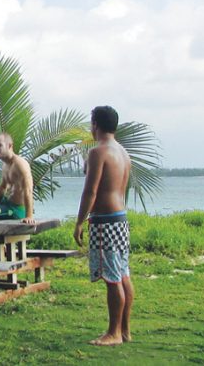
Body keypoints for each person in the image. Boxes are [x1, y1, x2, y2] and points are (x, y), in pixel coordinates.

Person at [73, 106, 134, 346]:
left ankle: (113, 333)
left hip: (105, 221)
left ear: (95, 125)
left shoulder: (98, 152)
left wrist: (79, 221)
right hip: (120, 218)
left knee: (112, 278)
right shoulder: (123, 152)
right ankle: (125, 329)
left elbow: (91, 190)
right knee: (123, 274)